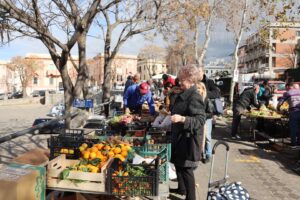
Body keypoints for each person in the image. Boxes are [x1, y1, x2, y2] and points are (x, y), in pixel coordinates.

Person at [169, 64, 206, 200]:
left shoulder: (194, 96)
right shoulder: (183, 93)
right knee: (179, 165)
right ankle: (182, 189)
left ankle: (191, 197)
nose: (179, 82)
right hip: (180, 137)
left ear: (190, 80)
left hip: (187, 139)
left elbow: (200, 120)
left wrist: (182, 119)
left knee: (186, 169)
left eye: (182, 80)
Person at [198, 67, 221, 162]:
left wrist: (204, 93)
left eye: (199, 72)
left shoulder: (209, 82)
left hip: (207, 113)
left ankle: (208, 154)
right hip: (197, 112)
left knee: (207, 135)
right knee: (198, 135)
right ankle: (200, 153)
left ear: (202, 72)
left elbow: (216, 93)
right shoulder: (194, 82)